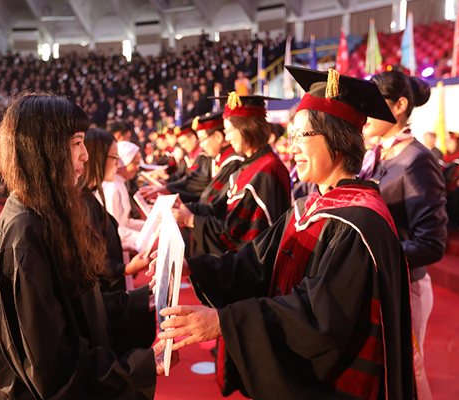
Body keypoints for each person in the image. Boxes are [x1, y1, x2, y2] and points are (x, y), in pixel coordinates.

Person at [155, 68, 419, 399]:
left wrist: (225, 321)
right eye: (291, 137)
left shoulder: (361, 222)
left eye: (301, 136)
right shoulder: (308, 207)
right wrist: (194, 266)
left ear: (336, 138)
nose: (291, 148)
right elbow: (254, 262)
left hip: (334, 384)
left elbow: (319, 316)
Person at [0, 94, 176, 400]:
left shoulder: (48, 214)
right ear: (43, 150)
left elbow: (83, 309)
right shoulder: (22, 239)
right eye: (76, 143)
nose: (86, 155)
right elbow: (53, 367)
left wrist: (148, 300)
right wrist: (138, 366)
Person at [362, 70, 447, 356]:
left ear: (399, 106)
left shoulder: (418, 159)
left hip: (404, 287)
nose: (364, 110)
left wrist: (370, 255)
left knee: (404, 375)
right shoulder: (376, 153)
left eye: (372, 101)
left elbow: (431, 244)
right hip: (379, 281)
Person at [171, 93, 291, 256]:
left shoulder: (267, 169)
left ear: (246, 127)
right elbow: (218, 208)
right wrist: (186, 208)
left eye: (228, 130)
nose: (226, 137)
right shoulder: (248, 165)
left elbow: (242, 237)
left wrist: (192, 220)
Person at [78, 128, 150, 293]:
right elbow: (92, 256)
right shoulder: (87, 200)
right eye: (115, 159)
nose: (119, 164)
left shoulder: (94, 193)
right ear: (98, 158)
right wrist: (126, 268)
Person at [103, 140, 146, 250]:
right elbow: (116, 229)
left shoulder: (120, 183)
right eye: (135, 163)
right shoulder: (112, 189)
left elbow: (125, 222)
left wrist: (150, 228)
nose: (137, 168)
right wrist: (146, 238)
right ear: (123, 163)